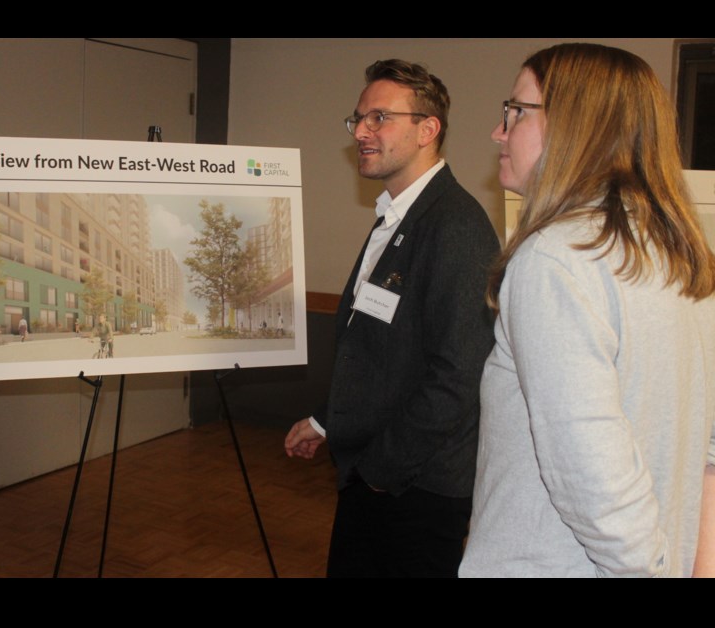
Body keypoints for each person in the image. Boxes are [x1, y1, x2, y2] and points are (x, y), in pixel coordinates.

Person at [459, 43, 715, 577]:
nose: (498, 132)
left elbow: (589, 469)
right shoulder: (681, 258)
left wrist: (645, 569)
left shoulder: (555, 259)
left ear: (577, 125)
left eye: (516, 112)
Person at [284, 59, 499, 577]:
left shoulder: (455, 227)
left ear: (428, 129)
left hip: (414, 488)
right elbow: (381, 350)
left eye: (379, 118)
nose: (361, 131)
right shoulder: (397, 216)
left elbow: (458, 374)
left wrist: (380, 471)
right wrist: (326, 422)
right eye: (358, 118)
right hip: (377, 474)